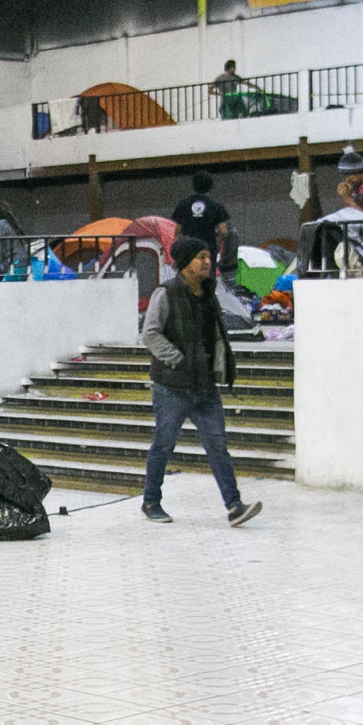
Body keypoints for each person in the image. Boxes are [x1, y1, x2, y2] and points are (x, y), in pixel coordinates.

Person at [139, 237, 261, 529]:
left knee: (218, 446)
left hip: (205, 386)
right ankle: (151, 501)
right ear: (184, 263)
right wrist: (178, 359)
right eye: (201, 257)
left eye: (208, 256)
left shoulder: (209, 294)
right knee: (164, 444)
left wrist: (221, 366)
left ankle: (234, 506)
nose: (207, 262)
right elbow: (151, 334)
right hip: (172, 387)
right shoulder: (165, 293)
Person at [172, 171, 229, 254]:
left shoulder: (183, 205)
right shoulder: (216, 207)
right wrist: (219, 250)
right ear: (210, 186)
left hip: (188, 252)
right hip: (208, 251)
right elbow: (223, 231)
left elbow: (177, 232)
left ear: (194, 185)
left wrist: (176, 255)